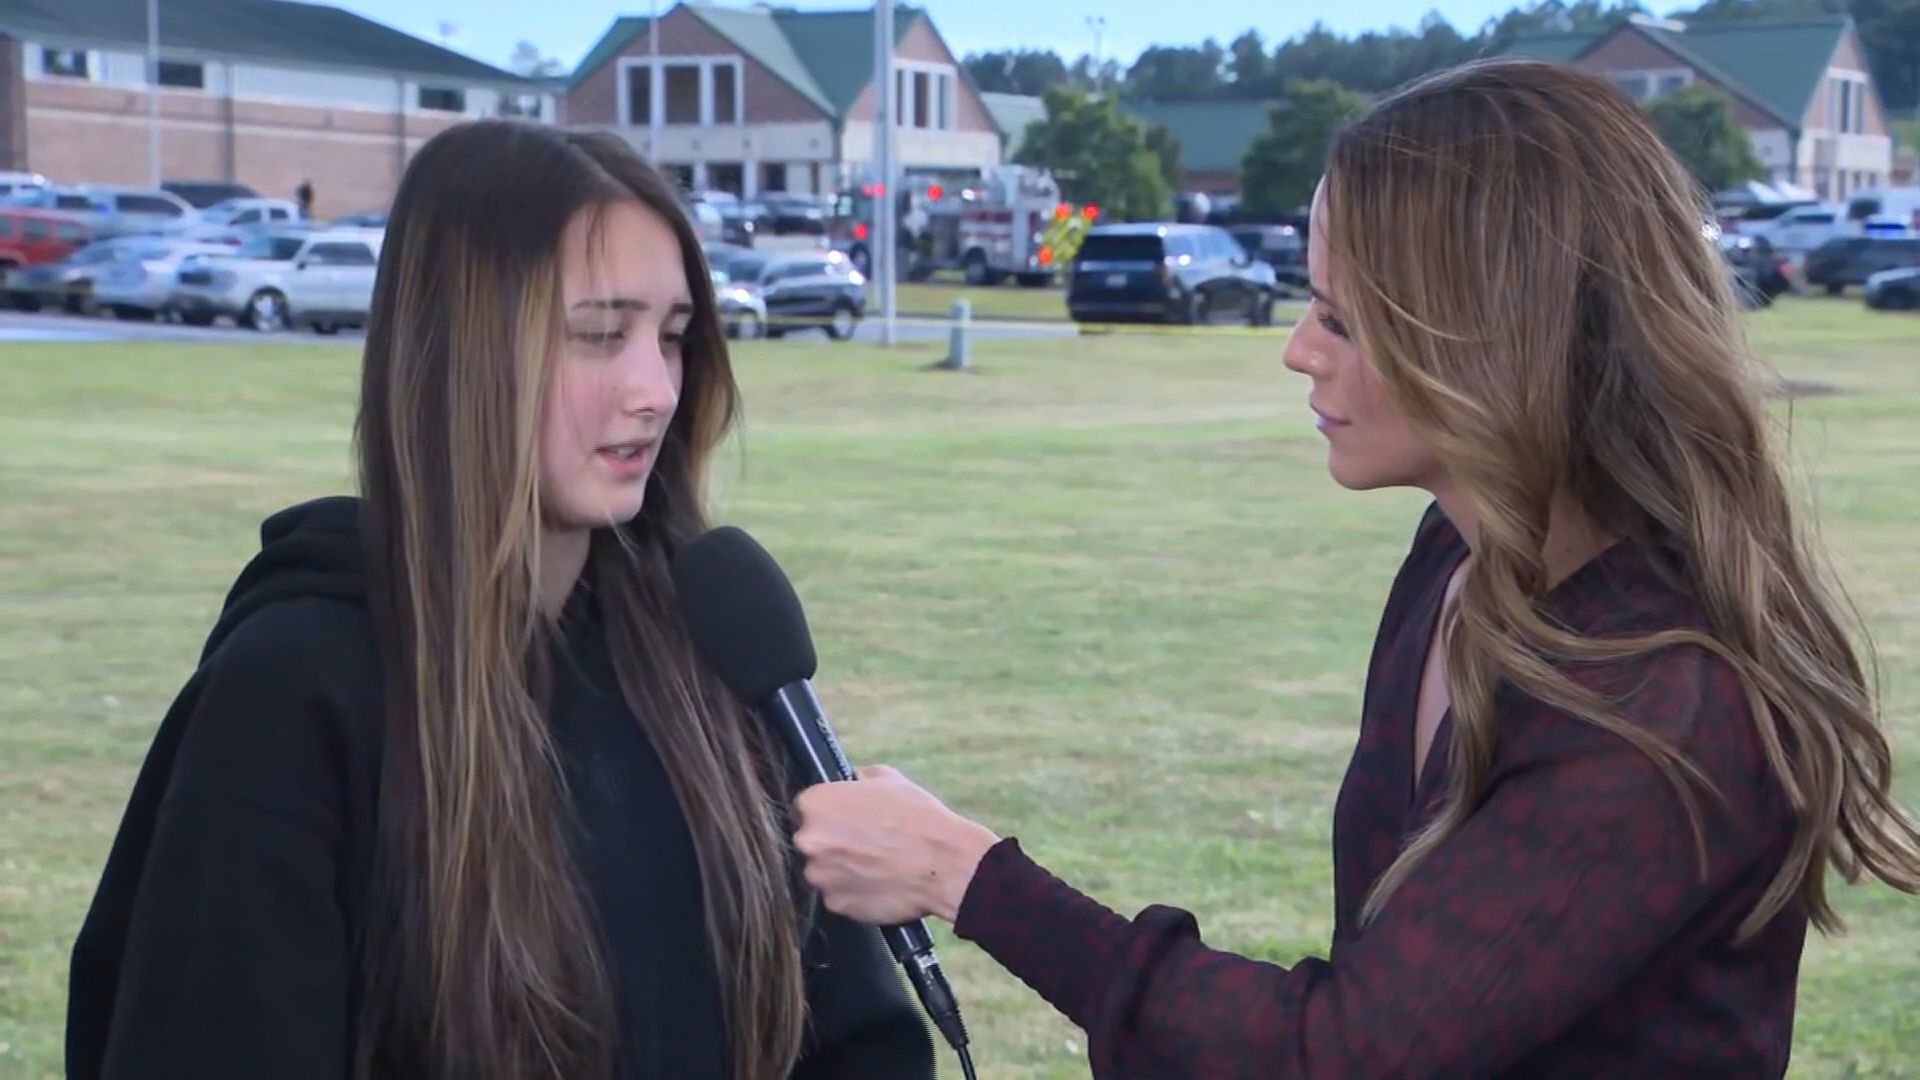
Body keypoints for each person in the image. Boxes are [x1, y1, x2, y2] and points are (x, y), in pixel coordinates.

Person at [786, 59, 1920, 1077]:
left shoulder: (1664, 698)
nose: (1297, 349)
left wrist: (968, 877)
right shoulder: (1455, 563)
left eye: (1340, 317)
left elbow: (1342, 1055)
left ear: (1482, 337)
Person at [66, 120, 936, 1080]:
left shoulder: (705, 659)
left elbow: (856, 1040)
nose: (654, 388)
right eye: (600, 335)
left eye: (675, 338)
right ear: (459, 351)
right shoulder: (296, 696)